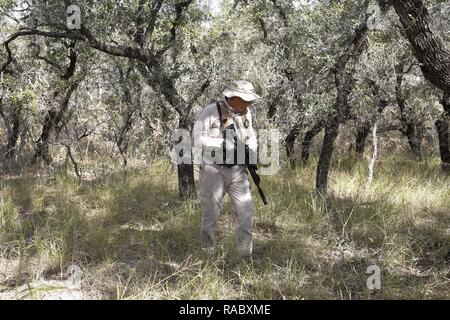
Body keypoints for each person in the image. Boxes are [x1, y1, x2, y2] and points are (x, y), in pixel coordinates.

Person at [193, 80, 260, 260]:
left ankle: (245, 256)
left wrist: (252, 151)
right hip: (214, 170)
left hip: (238, 171)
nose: (248, 104)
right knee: (211, 216)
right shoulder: (210, 111)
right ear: (233, 97)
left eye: (249, 100)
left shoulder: (247, 113)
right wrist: (223, 144)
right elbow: (196, 139)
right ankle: (208, 254)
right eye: (245, 100)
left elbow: (251, 134)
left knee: (246, 214)